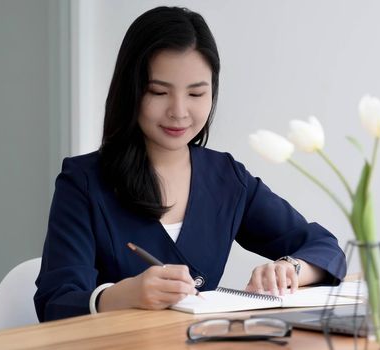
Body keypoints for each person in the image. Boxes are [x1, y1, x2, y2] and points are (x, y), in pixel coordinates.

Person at [34, 6, 347, 322]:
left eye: (196, 94)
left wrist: (289, 269)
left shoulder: (226, 178)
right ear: (131, 92)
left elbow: (324, 247)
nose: (179, 111)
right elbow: (55, 302)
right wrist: (122, 295)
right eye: (158, 92)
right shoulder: (84, 182)